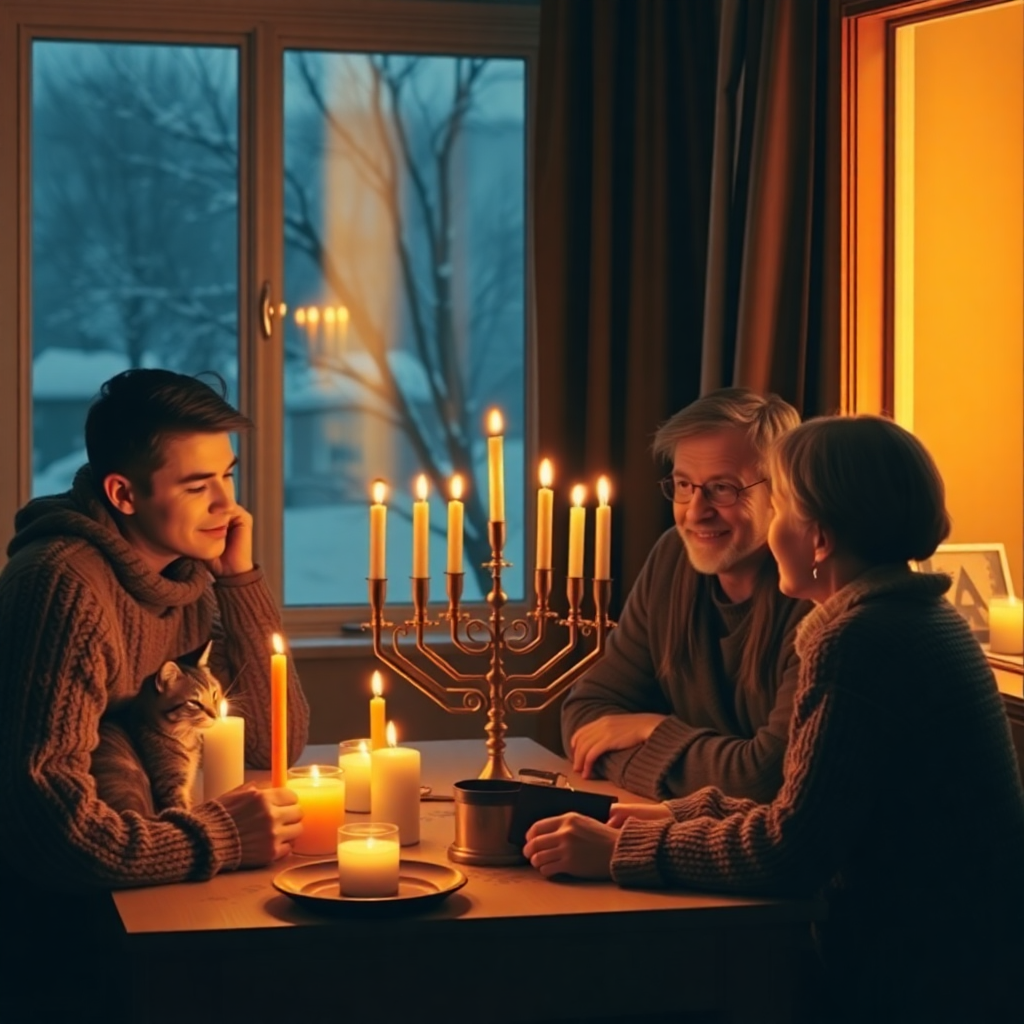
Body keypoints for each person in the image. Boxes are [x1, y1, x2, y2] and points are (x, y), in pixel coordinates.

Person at [526, 415, 1024, 1023]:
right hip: (950, 961)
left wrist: (623, 849)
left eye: (780, 508)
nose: (768, 531)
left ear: (818, 538)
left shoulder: (857, 642)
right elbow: (819, 808)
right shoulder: (916, 617)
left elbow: (793, 853)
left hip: (916, 983)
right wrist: (689, 811)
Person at [0, 369, 310, 1021]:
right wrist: (216, 839)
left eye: (228, 476)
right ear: (123, 493)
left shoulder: (184, 578)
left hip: (135, 910)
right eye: (199, 487)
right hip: (51, 944)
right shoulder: (62, 586)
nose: (228, 507)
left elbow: (268, 741)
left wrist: (240, 581)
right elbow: (43, 829)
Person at [561, 387, 811, 802]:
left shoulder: (816, 595)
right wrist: (710, 775)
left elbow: (766, 778)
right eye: (683, 485)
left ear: (782, 492)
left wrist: (652, 731)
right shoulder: (672, 557)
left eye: (723, 489)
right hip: (697, 832)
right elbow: (587, 717)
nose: (695, 512)